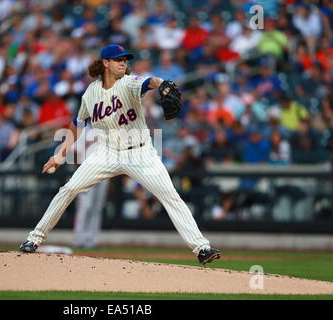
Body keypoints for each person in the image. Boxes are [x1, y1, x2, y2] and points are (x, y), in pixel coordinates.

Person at [19, 44, 220, 265]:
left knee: (170, 196)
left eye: (125, 59)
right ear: (105, 63)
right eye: (118, 59)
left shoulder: (129, 83)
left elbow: (149, 81)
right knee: (69, 189)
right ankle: (34, 239)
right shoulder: (91, 93)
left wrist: (162, 84)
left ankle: (202, 248)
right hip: (106, 152)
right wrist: (60, 154)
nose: (123, 63)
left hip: (140, 153)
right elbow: (77, 124)